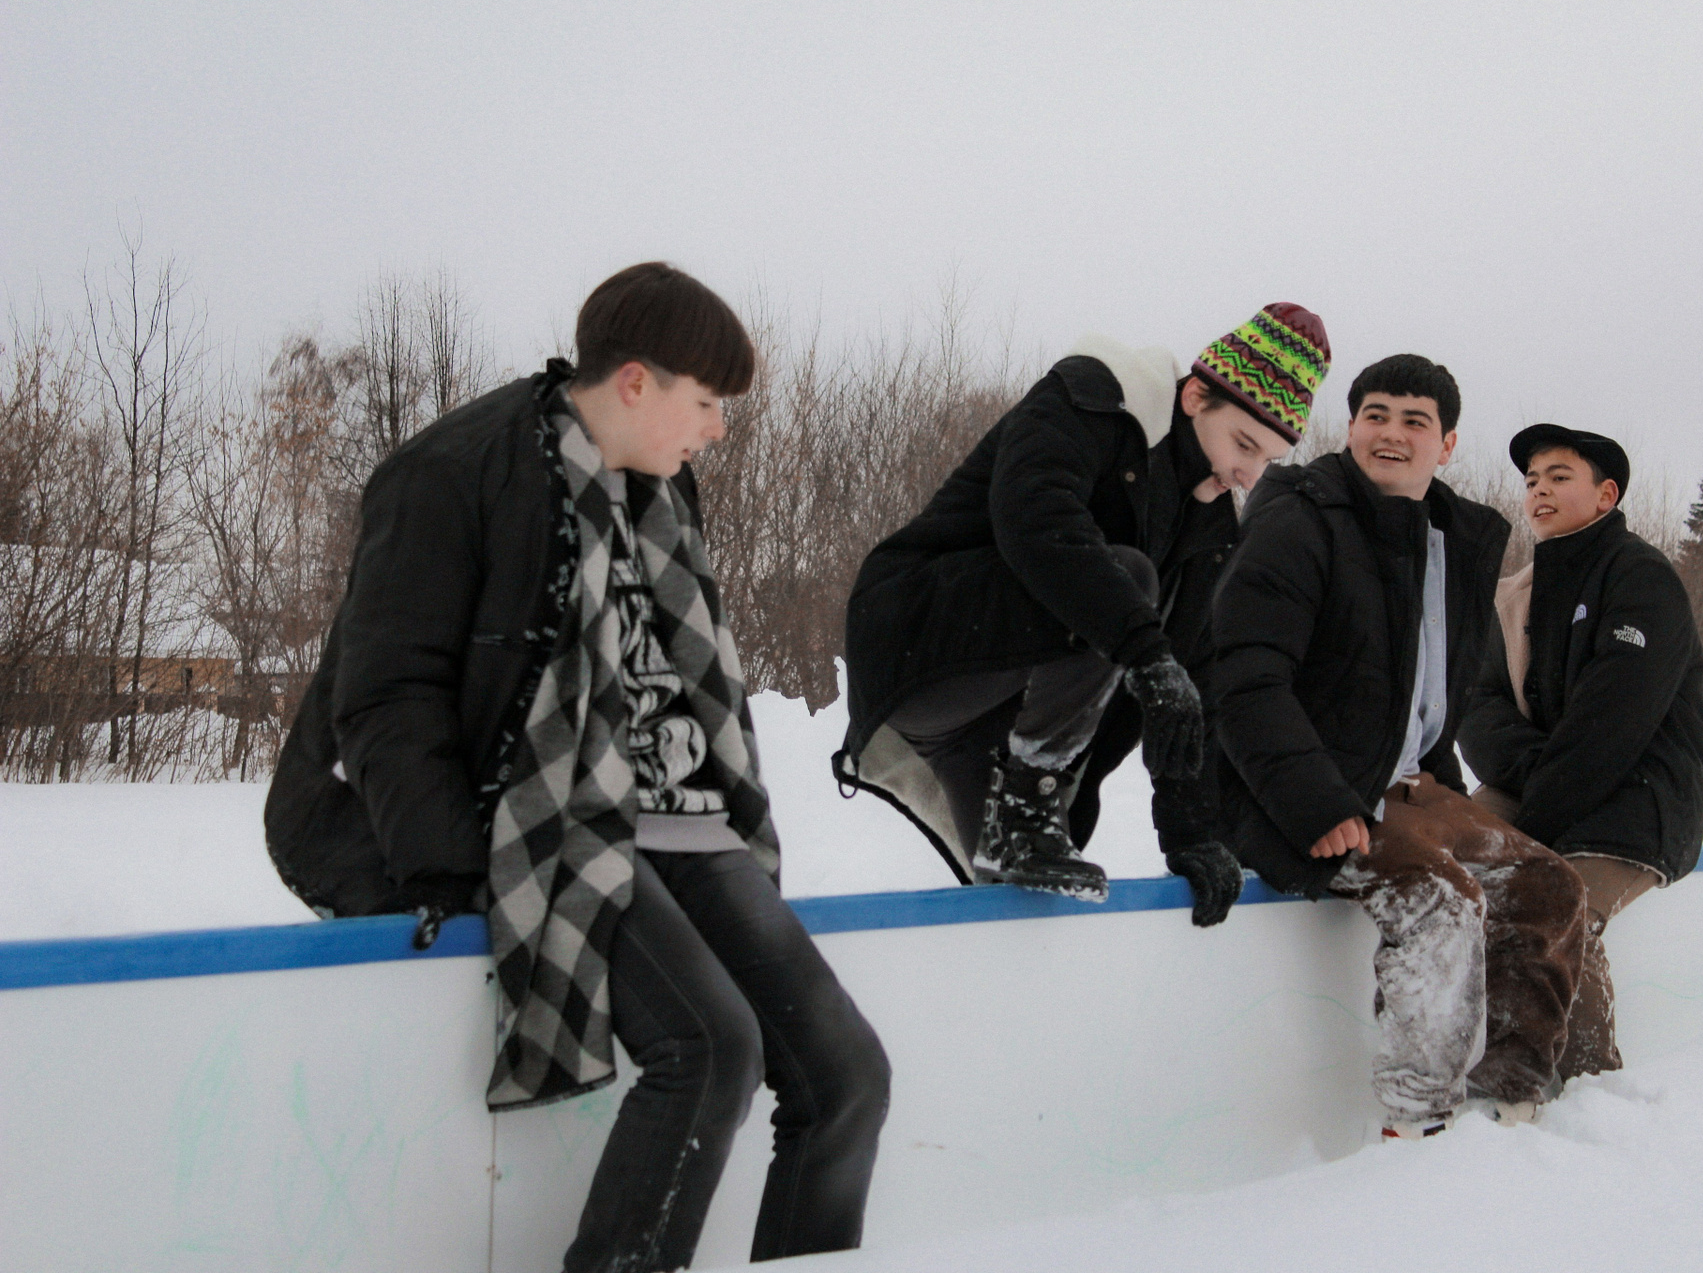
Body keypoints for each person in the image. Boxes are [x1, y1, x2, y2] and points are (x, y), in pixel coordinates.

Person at [264, 263, 889, 1273]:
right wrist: (445, 866)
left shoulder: (662, 490)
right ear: (636, 382)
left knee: (847, 1076)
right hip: (554, 822)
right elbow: (387, 692)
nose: (716, 430)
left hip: (687, 823)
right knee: (710, 1050)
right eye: (705, 402)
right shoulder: (453, 470)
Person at [835, 305, 1332, 922]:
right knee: (1127, 579)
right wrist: (1145, 651)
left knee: (1027, 895)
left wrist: (1192, 831)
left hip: (988, 729)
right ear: (1195, 397)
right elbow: (1036, 522)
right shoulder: (1091, 401)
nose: (1249, 476)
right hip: (921, 639)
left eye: (1267, 461)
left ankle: (1021, 832)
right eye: (1244, 445)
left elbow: (1194, 687)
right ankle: (1029, 794)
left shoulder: (1208, 530)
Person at [1211, 354, 1587, 1137]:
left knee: (1546, 884)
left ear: (1445, 445)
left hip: (1405, 784)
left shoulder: (1453, 539)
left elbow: (1424, 695)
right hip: (1295, 792)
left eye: (1415, 421)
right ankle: (1418, 1125)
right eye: (1375, 415)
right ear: (1350, 427)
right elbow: (1243, 678)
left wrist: (1445, 789)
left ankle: (1508, 1100)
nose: (1391, 433)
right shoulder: (1299, 521)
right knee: (1441, 902)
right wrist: (1314, 802)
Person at [1459, 424, 1703, 1079]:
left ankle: (1588, 1083)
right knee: (1444, 863)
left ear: (1606, 496)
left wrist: (1535, 826)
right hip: (1544, 784)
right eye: (1531, 480)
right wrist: (1533, 780)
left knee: (1557, 905)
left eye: (1559, 476)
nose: (1539, 490)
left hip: (1642, 794)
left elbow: (1612, 726)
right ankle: (1451, 1058)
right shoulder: (1512, 597)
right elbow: (1478, 709)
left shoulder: (1641, 579)